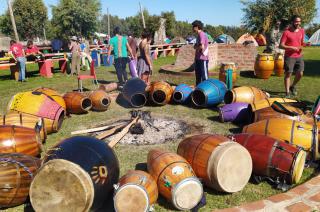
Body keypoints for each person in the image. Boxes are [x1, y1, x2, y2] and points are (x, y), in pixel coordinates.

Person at [280, 15, 305, 98]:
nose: (298, 23)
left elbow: (301, 43)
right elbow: (281, 45)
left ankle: (293, 86)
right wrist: (291, 47)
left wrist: (306, 44)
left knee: (300, 73)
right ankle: (287, 93)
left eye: (299, 21)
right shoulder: (286, 32)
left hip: (299, 55)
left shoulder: (302, 31)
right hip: (289, 56)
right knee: (288, 74)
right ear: (292, 22)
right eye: (296, 21)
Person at [192, 20, 209, 85]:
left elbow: (201, 46)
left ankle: (207, 91)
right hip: (198, 58)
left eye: (193, 27)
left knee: (204, 77)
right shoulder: (198, 35)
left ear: (196, 27)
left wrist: (197, 47)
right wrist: (196, 46)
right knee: (198, 76)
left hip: (203, 59)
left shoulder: (202, 34)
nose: (192, 28)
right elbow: (196, 46)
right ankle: (198, 90)